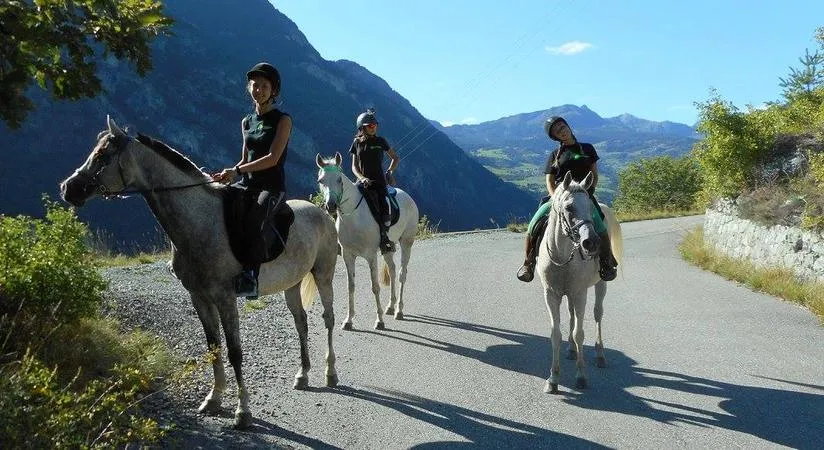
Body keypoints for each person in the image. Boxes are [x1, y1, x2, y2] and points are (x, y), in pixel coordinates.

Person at [212, 62, 291, 297]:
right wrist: (228, 175)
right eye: (255, 85)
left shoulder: (283, 120)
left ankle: (250, 278)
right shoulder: (247, 121)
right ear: (249, 88)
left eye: (265, 86)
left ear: (274, 91)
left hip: (271, 186)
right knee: (216, 201)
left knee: (256, 216)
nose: (259, 89)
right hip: (247, 183)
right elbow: (245, 157)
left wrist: (237, 170)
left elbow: (273, 158)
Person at [516, 116, 617, 283]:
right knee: (534, 223)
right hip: (559, 196)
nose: (562, 131)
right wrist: (556, 197)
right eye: (557, 131)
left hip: (583, 194)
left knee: (599, 223)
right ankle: (528, 263)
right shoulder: (555, 155)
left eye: (562, 127)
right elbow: (549, 180)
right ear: (556, 137)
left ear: (568, 127)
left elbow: (594, 173)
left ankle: (606, 261)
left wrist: (588, 192)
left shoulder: (587, 149)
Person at [349, 108, 400, 254]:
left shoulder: (381, 141)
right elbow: (354, 166)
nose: (373, 127)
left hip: (379, 183)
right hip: (362, 182)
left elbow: (395, 158)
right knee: (344, 201)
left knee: (383, 206)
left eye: (375, 125)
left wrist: (389, 171)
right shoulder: (356, 143)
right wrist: (362, 178)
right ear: (362, 127)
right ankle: (341, 238)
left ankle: (384, 239)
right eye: (370, 126)